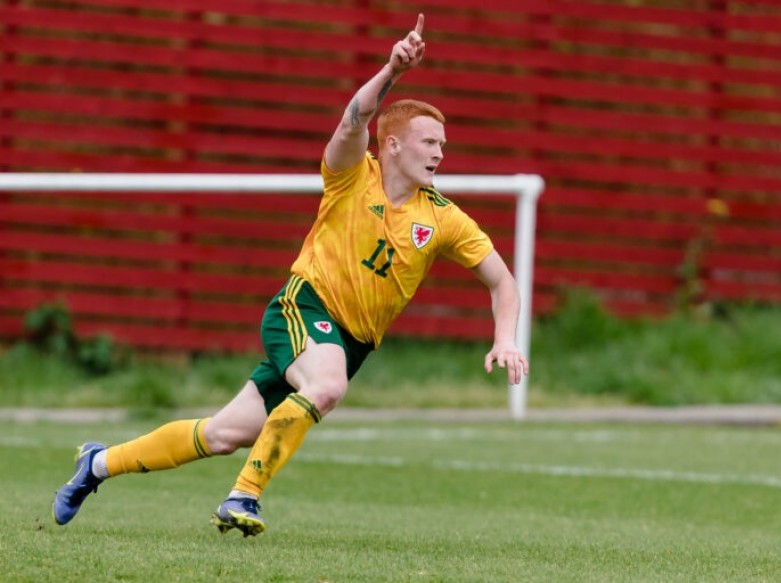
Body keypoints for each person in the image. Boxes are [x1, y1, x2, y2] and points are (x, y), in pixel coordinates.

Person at [52, 13, 529, 537]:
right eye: (428, 142)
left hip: (350, 343)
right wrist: (393, 70)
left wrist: (505, 338)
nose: (439, 152)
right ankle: (243, 496)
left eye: (443, 144)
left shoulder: (443, 218)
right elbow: (352, 121)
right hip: (304, 307)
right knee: (327, 385)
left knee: (222, 434)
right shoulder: (353, 175)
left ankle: (97, 463)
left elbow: (503, 282)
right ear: (392, 145)